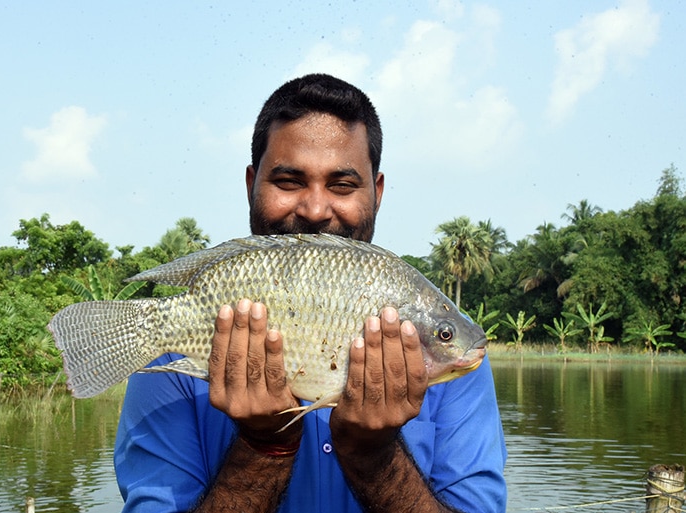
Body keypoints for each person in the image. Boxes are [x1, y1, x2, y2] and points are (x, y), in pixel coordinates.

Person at [114, 73, 507, 512]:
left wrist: (374, 457)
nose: (316, 210)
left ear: (376, 193)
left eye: (342, 185)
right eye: (288, 181)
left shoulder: (456, 368)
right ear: (251, 185)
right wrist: (265, 447)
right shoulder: (163, 356)